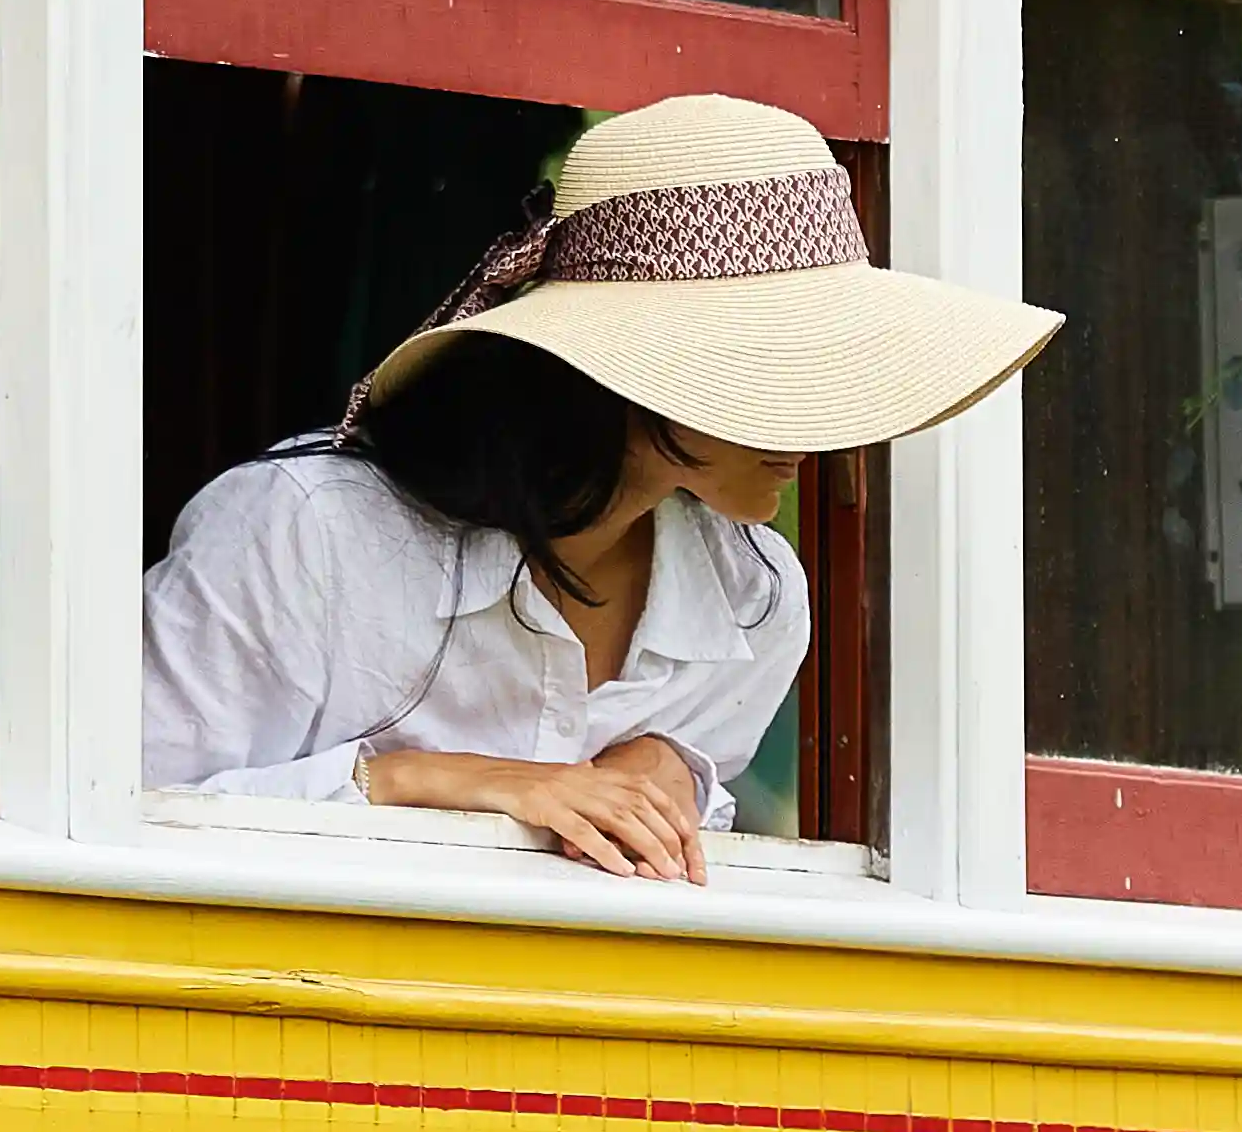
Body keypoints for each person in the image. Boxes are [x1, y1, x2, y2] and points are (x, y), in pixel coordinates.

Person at [142, 91, 1054, 882]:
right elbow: (115, 805)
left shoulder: (757, 604)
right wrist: (423, 780)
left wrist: (668, 772)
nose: (812, 426)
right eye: (778, 366)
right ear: (630, 371)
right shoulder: (306, 537)